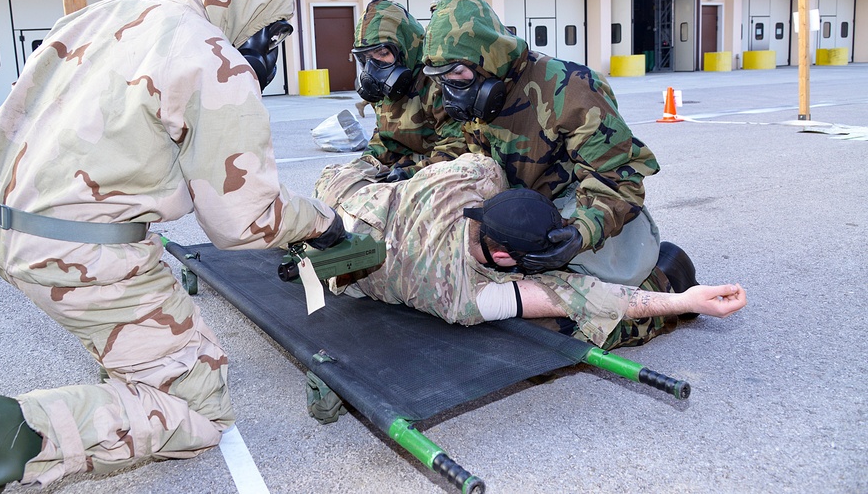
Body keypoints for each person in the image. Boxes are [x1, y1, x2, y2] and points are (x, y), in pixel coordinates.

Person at [0, 0, 347, 494]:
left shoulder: (106, 15)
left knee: (146, 330)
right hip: (76, 251)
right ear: (249, 8)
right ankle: (15, 434)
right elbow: (244, 221)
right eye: (271, 30)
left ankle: (129, 361)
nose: (269, 47)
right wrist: (322, 222)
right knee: (200, 410)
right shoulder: (212, 56)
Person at [314, 154, 745, 350]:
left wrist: (373, 168)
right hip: (357, 255)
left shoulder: (455, 185)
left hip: (354, 203)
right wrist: (683, 301)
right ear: (504, 259)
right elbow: (586, 296)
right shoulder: (465, 296)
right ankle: (672, 271)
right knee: (568, 327)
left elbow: (482, 164)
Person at [421, 0, 663, 287]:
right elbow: (458, 157)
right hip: (516, 217)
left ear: (490, 58)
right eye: (441, 78)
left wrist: (580, 233)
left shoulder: (571, 89)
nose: (450, 89)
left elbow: (619, 177)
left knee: (569, 318)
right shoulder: (477, 92)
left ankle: (664, 285)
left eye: (457, 73)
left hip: (577, 214)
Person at [349, 0, 466, 184]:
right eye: (366, 57)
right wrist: (362, 166)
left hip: (443, 175)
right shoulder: (383, 89)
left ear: (405, 49)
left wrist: (411, 173)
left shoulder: (438, 83)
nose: (373, 67)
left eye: (383, 53)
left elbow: (458, 147)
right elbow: (384, 140)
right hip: (411, 167)